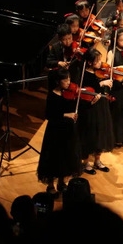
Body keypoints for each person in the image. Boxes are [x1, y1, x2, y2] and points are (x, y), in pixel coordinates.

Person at [37, 68, 82, 196]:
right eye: (65, 80)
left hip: (68, 130)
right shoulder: (52, 95)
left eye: (69, 79)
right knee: (54, 157)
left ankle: (62, 183)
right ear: (58, 81)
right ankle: (50, 185)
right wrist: (67, 114)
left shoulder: (69, 93)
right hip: (55, 131)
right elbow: (49, 115)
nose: (69, 82)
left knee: (65, 156)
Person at [76, 47, 115, 175]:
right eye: (97, 61)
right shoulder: (84, 75)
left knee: (101, 133)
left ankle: (97, 160)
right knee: (89, 135)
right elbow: (84, 92)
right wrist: (102, 84)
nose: (100, 63)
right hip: (90, 108)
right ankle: (86, 163)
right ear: (89, 62)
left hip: (101, 106)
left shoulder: (100, 72)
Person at [45, 22, 82, 89]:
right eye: (64, 39)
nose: (68, 42)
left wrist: (80, 55)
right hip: (59, 80)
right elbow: (48, 62)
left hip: (73, 78)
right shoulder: (55, 47)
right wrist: (58, 63)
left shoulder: (76, 46)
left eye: (69, 38)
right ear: (59, 38)